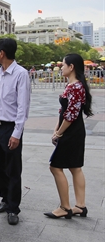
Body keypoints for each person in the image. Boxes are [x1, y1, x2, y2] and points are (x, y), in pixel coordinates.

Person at [44, 53, 93, 219]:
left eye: (63, 65)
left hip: (71, 132)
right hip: (73, 130)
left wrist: (59, 132)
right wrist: (56, 129)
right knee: (75, 167)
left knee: (55, 166)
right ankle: (80, 206)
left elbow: (70, 115)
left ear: (71, 67)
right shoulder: (73, 85)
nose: (61, 68)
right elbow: (64, 112)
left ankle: (65, 207)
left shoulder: (75, 87)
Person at [0, 38, 31, 225]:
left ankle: (13, 207)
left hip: (10, 127)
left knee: (12, 169)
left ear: (2, 53)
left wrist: (17, 133)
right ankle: (5, 199)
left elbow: (23, 106)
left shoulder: (21, 74)